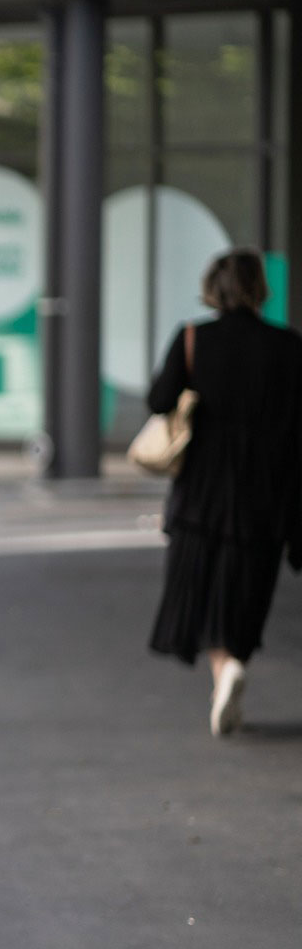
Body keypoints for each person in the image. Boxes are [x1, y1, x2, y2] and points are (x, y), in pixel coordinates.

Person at [145, 249, 302, 736]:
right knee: (247, 588)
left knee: (204, 589)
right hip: (266, 493)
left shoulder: (196, 338)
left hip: (202, 493)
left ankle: (224, 672)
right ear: (259, 289)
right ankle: (234, 660)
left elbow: (159, 400)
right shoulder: (289, 346)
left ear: (213, 287)